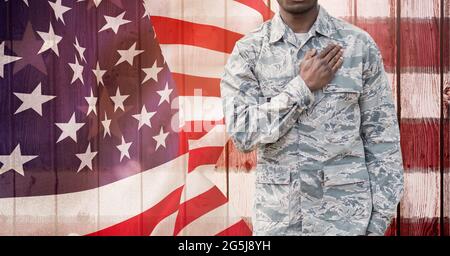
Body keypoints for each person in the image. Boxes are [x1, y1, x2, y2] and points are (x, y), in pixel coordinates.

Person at [220, 0, 404, 236]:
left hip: (346, 225)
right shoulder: (250, 51)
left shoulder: (358, 46)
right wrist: (302, 87)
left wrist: (377, 224)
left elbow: (383, 141)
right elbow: (243, 134)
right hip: (280, 226)